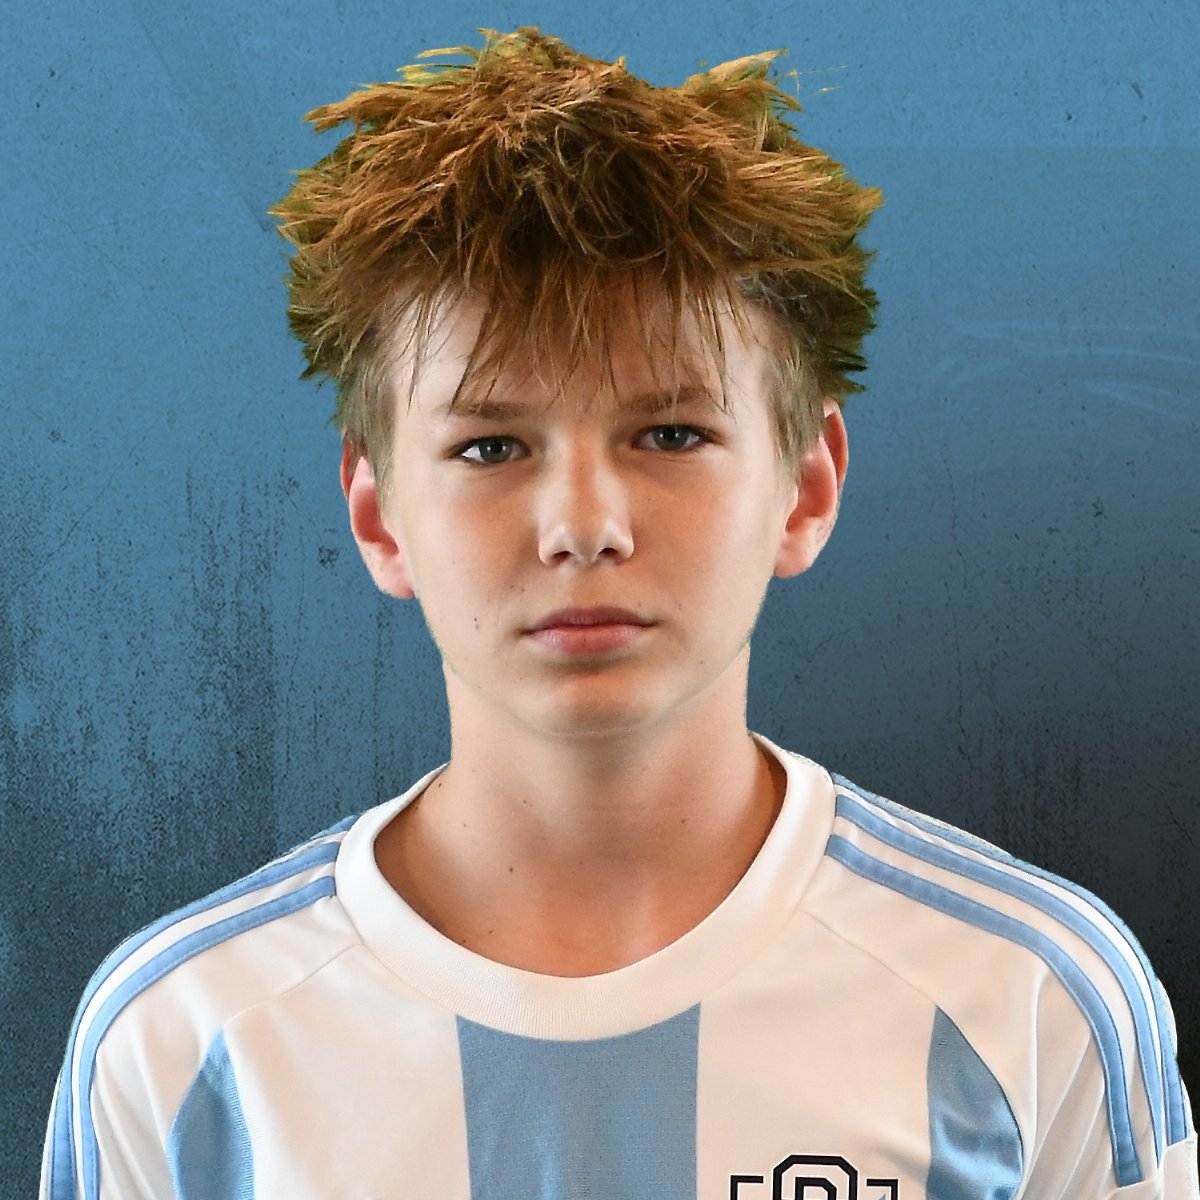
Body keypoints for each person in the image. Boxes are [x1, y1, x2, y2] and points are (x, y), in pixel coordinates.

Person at [42, 25, 1196, 1200]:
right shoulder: (180, 1041)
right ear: (379, 513)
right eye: (490, 446)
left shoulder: (1031, 994)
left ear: (805, 488)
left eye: (671, 434)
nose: (583, 526)